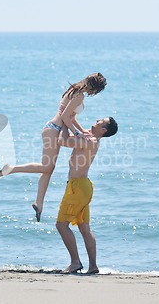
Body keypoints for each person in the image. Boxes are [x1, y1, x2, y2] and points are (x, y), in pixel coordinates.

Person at [0, 73, 107, 222]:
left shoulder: (74, 90)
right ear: (94, 88)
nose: (93, 94)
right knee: (47, 167)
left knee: (48, 169)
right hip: (54, 129)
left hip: (53, 128)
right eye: (95, 91)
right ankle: (10, 169)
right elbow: (66, 117)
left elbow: (71, 117)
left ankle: (39, 203)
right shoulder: (79, 95)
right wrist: (77, 133)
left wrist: (82, 131)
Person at [56, 117, 118, 274]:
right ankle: (93, 266)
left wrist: (64, 121)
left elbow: (62, 141)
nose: (96, 120)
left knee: (61, 225)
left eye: (100, 121)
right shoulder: (91, 139)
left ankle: (75, 262)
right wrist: (71, 121)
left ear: (103, 130)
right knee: (84, 228)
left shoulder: (90, 141)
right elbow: (72, 137)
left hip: (77, 187)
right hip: (84, 186)